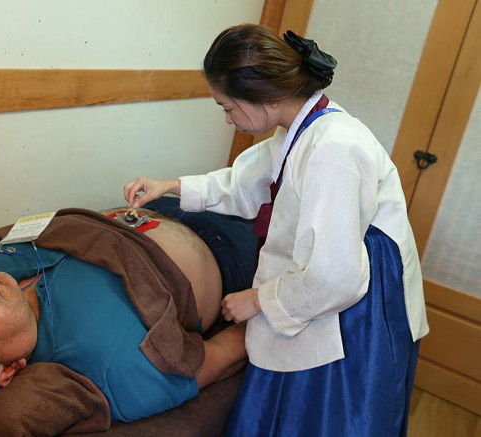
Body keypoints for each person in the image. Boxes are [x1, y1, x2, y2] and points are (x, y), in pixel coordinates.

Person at [124, 24, 429, 436]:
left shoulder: (333, 149)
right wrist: (171, 187)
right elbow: (241, 183)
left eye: (228, 108)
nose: (229, 120)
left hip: (359, 301)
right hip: (327, 276)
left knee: (329, 414)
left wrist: (259, 299)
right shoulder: (298, 130)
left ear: (263, 97)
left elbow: (336, 276)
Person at [0, 197, 256, 423]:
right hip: (223, 244)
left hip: (152, 206)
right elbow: (226, 353)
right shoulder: (117, 374)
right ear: (8, 371)